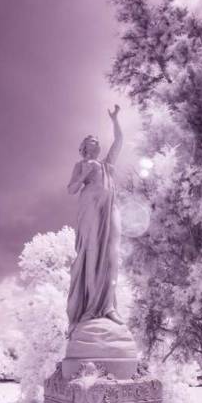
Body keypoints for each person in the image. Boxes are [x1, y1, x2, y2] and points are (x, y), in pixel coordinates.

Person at [66, 104, 124, 335]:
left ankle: (108, 306)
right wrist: (83, 175)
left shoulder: (106, 164)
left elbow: (119, 141)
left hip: (109, 210)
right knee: (91, 255)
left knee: (112, 256)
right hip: (89, 209)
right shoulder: (81, 165)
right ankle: (90, 307)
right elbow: (71, 190)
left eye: (98, 141)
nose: (96, 142)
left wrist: (115, 120)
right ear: (84, 148)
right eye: (92, 140)